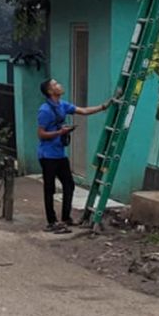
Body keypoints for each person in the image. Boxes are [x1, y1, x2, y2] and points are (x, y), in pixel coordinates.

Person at [37, 77, 111, 233]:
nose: (59, 85)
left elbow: (83, 111)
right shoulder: (44, 110)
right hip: (47, 155)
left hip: (59, 154)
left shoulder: (62, 105)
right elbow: (41, 134)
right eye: (56, 84)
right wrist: (60, 132)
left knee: (69, 185)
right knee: (49, 189)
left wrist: (104, 106)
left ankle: (65, 218)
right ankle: (52, 221)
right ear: (50, 91)